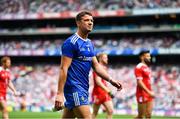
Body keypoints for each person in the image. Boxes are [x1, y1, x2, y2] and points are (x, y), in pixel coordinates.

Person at [54, 11, 122, 119]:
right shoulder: (71, 42)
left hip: (83, 88)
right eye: (86, 20)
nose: (90, 23)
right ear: (78, 23)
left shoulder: (89, 43)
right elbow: (63, 68)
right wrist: (59, 93)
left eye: (91, 20)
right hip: (74, 88)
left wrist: (111, 80)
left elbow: (96, 65)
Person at [92, 53, 114, 119]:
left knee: (110, 111)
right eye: (105, 57)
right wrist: (108, 90)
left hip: (103, 92)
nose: (107, 59)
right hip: (98, 92)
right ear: (101, 58)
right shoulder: (98, 67)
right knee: (95, 113)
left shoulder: (104, 67)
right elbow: (98, 81)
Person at [134, 50, 155, 119]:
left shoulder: (147, 67)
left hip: (149, 93)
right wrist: (149, 92)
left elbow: (147, 81)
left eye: (150, 56)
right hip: (142, 93)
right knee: (141, 116)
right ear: (142, 57)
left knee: (148, 115)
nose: (150, 58)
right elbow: (139, 82)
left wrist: (150, 91)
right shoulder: (139, 67)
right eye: (148, 56)